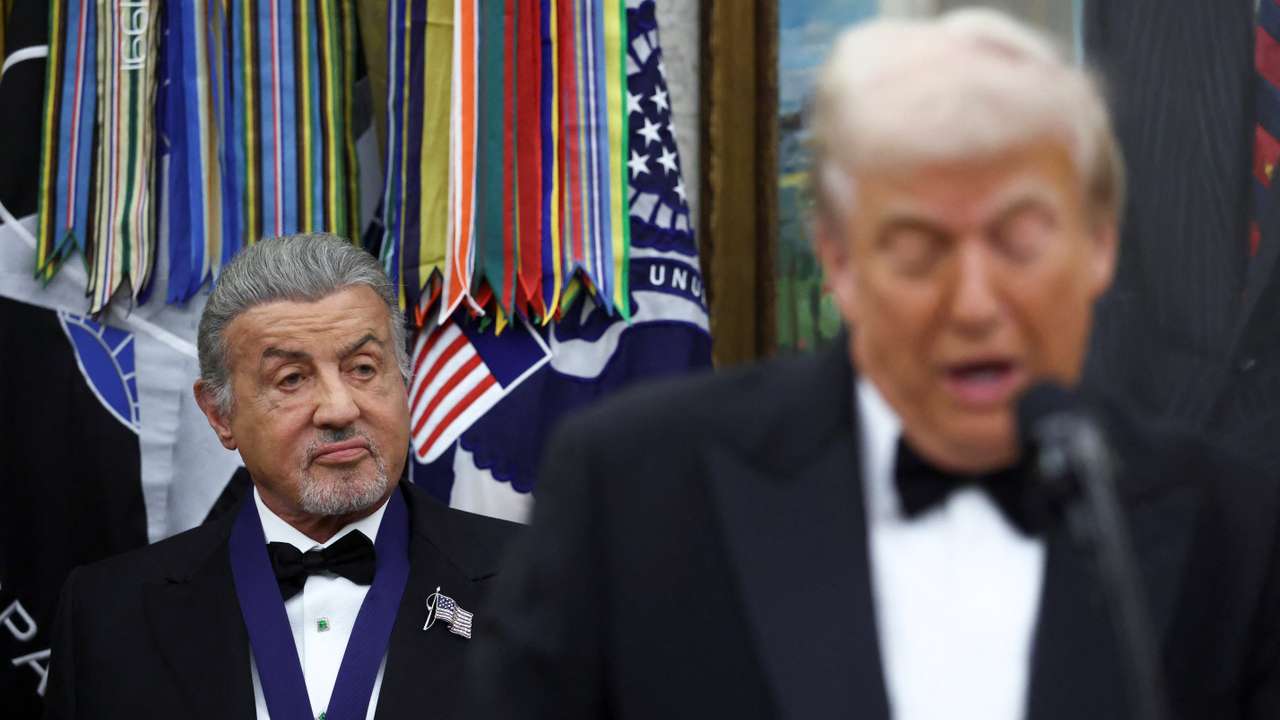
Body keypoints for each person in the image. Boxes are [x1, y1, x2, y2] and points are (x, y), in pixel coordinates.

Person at [463, 9, 1280, 719]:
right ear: (840, 261)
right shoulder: (635, 493)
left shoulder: (1225, 528)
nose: (974, 303)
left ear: (1099, 246)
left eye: (1020, 242)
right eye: (919, 249)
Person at [43, 234, 520, 719]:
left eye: (362, 367)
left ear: (403, 378)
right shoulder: (106, 615)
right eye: (291, 378)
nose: (339, 408)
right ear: (219, 415)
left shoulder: (549, 584)